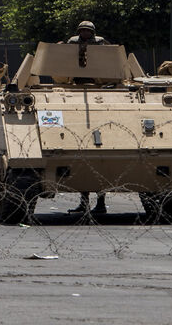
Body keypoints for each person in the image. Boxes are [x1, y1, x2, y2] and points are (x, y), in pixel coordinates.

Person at [66, 19, 107, 215]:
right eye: (82, 31)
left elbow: (109, 60)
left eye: (87, 31)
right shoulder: (72, 43)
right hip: (74, 84)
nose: (85, 34)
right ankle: (84, 203)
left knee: (100, 168)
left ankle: (100, 203)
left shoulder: (100, 43)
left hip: (99, 85)